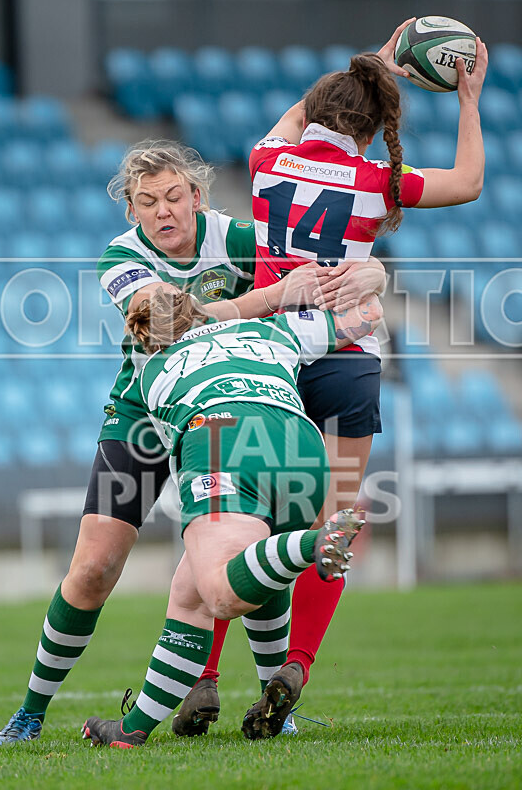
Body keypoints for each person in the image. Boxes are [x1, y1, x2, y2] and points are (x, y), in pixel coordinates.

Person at [0, 140, 380, 745]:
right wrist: (274, 297)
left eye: (174, 196)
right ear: (131, 212)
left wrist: (371, 271)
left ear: (198, 196)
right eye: (147, 202)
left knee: (241, 544)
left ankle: (261, 695)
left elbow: (345, 275)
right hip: (144, 411)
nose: (163, 211)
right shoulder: (121, 257)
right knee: (94, 566)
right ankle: (32, 711)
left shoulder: (244, 239)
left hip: (227, 406)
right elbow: (170, 318)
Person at [176, 26, 488, 738]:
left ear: (311, 110)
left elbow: (297, 117)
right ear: (373, 130)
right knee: (334, 523)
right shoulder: (379, 182)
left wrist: (376, 60)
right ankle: (298, 667)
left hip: (269, 357)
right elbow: (468, 182)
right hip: (347, 360)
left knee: (230, 519)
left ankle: (203, 675)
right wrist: (467, 99)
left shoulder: (267, 160)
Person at [81, 284, 384, 747]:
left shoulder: (149, 370)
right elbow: (367, 312)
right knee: (190, 591)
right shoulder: (268, 329)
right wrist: (366, 275)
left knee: (219, 593)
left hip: (224, 436)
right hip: (301, 441)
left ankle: (318, 542)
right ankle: (132, 729)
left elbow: (165, 449)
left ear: (143, 336)